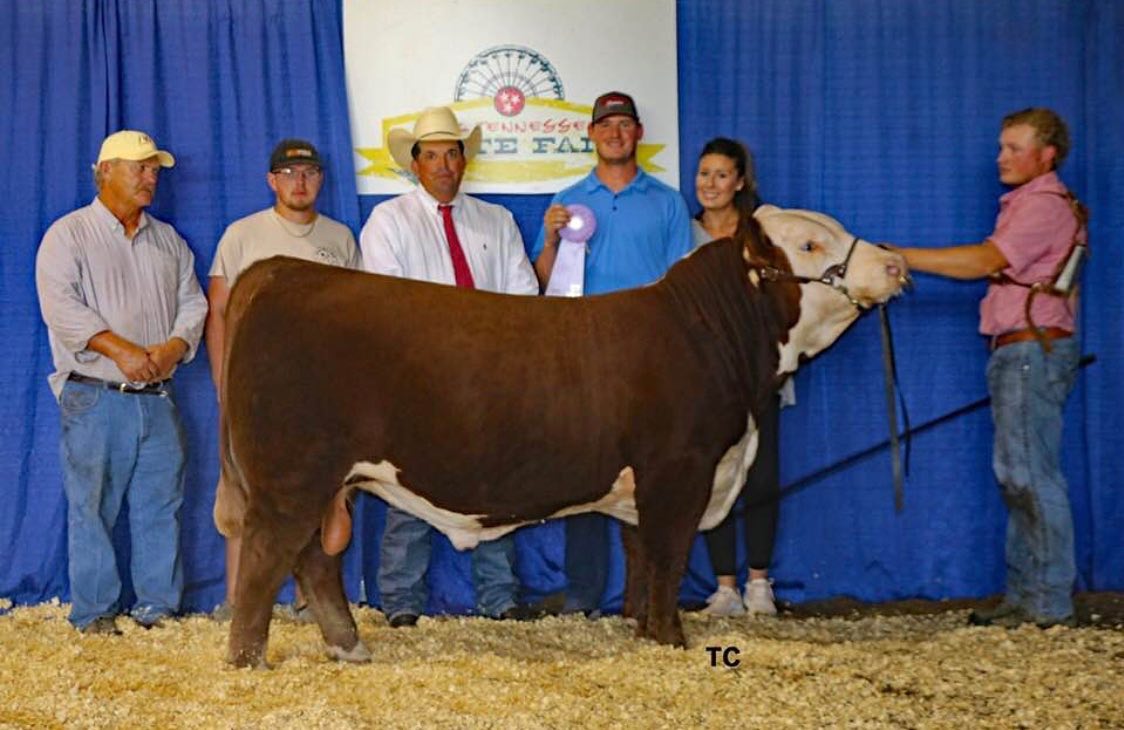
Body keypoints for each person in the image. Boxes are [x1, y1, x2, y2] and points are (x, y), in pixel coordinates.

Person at [894, 108, 1086, 629]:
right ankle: (1027, 596)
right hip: (1023, 349)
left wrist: (905, 257)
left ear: (1047, 155)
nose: (1001, 157)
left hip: (1030, 351)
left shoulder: (1042, 206)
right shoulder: (1032, 203)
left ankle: (1048, 603)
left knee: (1030, 475)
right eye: (1001, 147)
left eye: (1013, 148)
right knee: (1017, 475)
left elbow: (985, 261)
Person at [359, 105, 541, 627]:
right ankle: (400, 604)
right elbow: (386, 304)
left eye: (452, 154)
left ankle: (500, 599)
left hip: (488, 380)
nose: (443, 165)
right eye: (432, 155)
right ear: (414, 165)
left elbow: (523, 299)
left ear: (465, 161)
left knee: (495, 488)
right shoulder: (389, 221)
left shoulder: (497, 221)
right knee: (409, 487)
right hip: (418, 380)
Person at [35, 130, 208, 635]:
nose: (151, 178)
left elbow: (193, 303)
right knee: (92, 507)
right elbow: (60, 309)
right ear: (105, 170)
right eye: (141, 168)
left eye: (155, 169)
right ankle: (94, 614)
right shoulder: (67, 235)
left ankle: (157, 609)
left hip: (158, 394)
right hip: (95, 392)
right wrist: (123, 351)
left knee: (162, 506)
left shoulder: (168, 240)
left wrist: (175, 347)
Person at [531, 91, 693, 617]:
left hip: (650, 359)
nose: (615, 132)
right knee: (583, 473)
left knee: (649, 474)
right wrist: (553, 241)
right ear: (592, 136)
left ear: (639, 133)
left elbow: (680, 282)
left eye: (625, 124)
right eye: (606, 125)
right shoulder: (569, 200)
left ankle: (641, 594)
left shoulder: (667, 202)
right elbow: (540, 282)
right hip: (584, 357)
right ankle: (583, 591)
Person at [206, 138, 361, 621]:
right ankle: (239, 601)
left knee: (324, 493)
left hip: (325, 390)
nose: (300, 182)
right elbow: (219, 312)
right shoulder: (243, 235)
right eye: (290, 174)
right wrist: (225, 384)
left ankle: (310, 601)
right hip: (258, 389)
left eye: (310, 173)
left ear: (321, 180)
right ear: (272, 181)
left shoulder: (339, 240)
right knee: (247, 491)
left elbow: (358, 321)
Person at [691, 137, 790, 617]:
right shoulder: (683, 234)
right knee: (715, 478)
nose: (710, 184)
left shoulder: (761, 235)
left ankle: (759, 582)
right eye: (703, 174)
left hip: (755, 372)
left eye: (721, 175)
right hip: (702, 378)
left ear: (740, 181)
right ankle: (725, 586)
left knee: (761, 475)